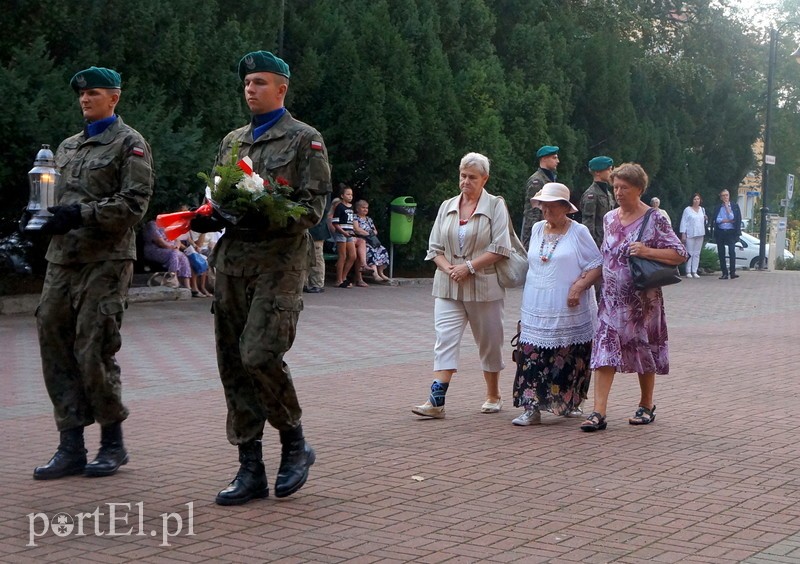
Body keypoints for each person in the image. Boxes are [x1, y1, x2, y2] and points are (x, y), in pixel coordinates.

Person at [190, 50, 330, 505]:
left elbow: (312, 209)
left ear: (282, 89)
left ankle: (294, 444)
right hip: (232, 265)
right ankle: (249, 467)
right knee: (232, 363)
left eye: (260, 82)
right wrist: (211, 216)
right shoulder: (232, 141)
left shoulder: (304, 140)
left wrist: (263, 211)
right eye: (248, 82)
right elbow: (216, 193)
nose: (251, 89)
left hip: (278, 265)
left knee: (259, 354)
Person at [32, 66, 154, 479]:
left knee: (93, 347)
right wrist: (38, 221)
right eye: (82, 95)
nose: (85, 100)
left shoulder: (129, 144)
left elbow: (134, 206)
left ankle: (112, 442)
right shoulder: (66, 148)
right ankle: (70, 444)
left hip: (106, 260)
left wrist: (79, 214)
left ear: (114, 98)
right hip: (62, 260)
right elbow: (49, 198)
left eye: (94, 94)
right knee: (53, 343)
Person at [581, 163, 687, 432]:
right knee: (604, 352)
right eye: (616, 186)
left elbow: (679, 254)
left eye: (624, 187)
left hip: (642, 302)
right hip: (611, 299)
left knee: (643, 351)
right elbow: (606, 255)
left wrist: (647, 251)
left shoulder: (656, 218)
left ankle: (646, 404)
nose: (618, 192)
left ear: (639, 189)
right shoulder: (609, 219)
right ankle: (598, 412)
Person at [412, 152, 511, 418]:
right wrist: (451, 270)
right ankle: (436, 401)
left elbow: (501, 248)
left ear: (485, 179)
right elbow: (434, 248)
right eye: (463, 176)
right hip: (448, 286)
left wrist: (468, 267)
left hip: (484, 285)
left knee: (489, 342)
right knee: (444, 339)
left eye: (472, 177)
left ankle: (493, 394)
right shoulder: (447, 206)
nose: (466, 181)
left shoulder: (495, 206)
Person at [512, 183, 603, 425]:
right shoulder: (537, 229)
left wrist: (578, 286)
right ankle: (531, 408)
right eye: (543, 204)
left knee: (568, 356)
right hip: (536, 304)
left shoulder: (579, 232)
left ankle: (569, 401)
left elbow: (596, 264)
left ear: (565, 207)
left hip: (568, 308)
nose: (546, 210)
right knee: (532, 355)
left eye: (552, 205)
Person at [521, 145, 560, 249]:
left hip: (548, 228)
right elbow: (532, 211)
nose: (558, 161)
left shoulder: (550, 179)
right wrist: (533, 235)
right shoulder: (537, 181)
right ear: (544, 159)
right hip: (538, 231)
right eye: (554, 158)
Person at [142, 219, 194, 291]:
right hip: (155, 250)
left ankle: (187, 286)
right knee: (174, 254)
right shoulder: (152, 225)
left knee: (183, 256)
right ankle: (173, 278)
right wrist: (172, 248)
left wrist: (176, 247)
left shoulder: (169, 225)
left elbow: (177, 240)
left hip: (171, 249)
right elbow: (160, 242)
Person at [331, 185, 366, 288]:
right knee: (343, 256)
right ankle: (339, 280)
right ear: (342, 196)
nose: (350, 196)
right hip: (342, 233)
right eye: (348, 194)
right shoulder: (339, 207)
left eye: (351, 194)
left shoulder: (351, 207)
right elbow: (335, 223)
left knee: (353, 256)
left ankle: (344, 276)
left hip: (350, 233)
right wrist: (343, 232)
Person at [580, 156, 616, 249]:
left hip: (608, 242)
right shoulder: (591, 195)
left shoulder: (608, 194)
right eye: (609, 170)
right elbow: (588, 223)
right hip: (597, 245)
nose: (611, 173)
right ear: (597, 172)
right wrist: (592, 246)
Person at [353, 199, 390, 281]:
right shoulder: (355, 217)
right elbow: (356, 229)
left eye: (367, 208)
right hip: (361, 240)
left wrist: (371, 233)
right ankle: (375, 274)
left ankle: (381, 272)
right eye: (363, 208)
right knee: (371, 251)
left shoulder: (369, 219)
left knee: (383, 250)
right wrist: (367, 233)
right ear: (357, 208)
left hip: (371, 240)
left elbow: (375, 231)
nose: (365, 209)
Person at [709, 189, 742, 279]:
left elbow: (734, 218)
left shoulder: (734, 206)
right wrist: (726, 220)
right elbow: (717, 219)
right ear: (721, 197)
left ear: (729, 196)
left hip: (731, 232)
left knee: (732, 251)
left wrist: (727, 208)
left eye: (726, 195)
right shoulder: (718, 207)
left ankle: (732, 272)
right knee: (721, 252)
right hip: (720, 232)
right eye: (723, 196)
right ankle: (724, 273)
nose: (725, 197)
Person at [304, 193, 332, 293]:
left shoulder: (323, 192)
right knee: (305, 257)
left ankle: (317, 283)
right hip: (310, 227)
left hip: (317, 229)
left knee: (316, 257)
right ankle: (305, 282)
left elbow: (322, 211)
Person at [679, 193, 708, 278]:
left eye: (698, 199)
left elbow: (704, 222)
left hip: (700, 233)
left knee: (697, 253)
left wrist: (706, 219)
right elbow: (683, 221)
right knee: (690, 252)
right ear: (692, 200)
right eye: (695, 199)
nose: (696, 201)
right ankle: (688, 271)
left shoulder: (702, 209)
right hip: (690, 234)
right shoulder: (687, 210)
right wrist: (683, 234)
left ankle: (694, 271)